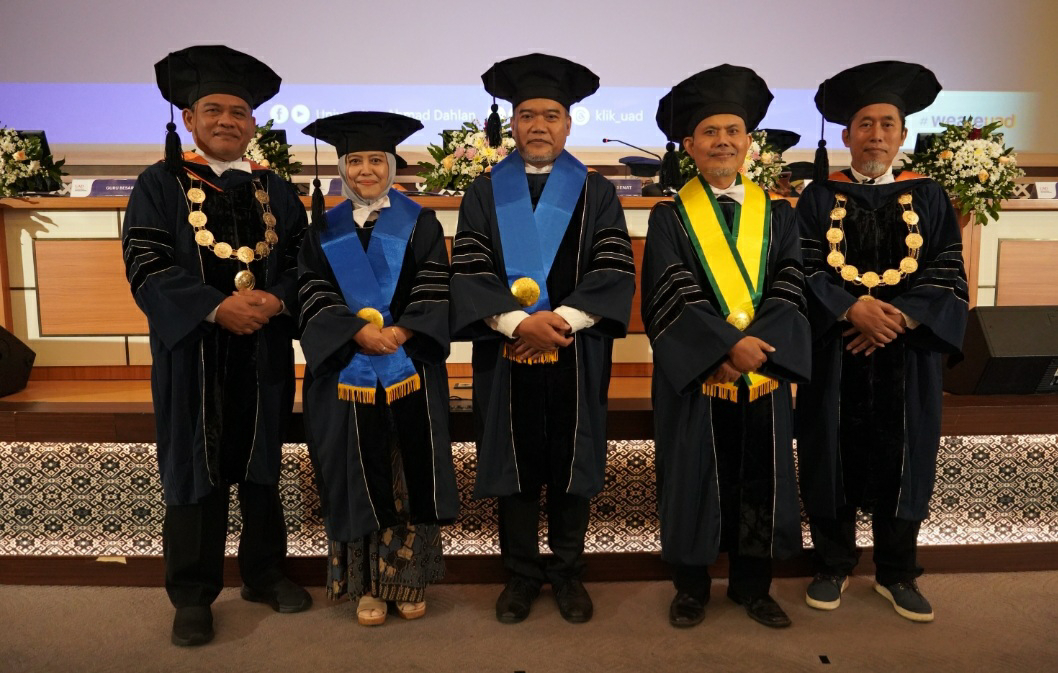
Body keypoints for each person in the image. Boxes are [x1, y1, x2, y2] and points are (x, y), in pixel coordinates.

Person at [121, 45, 310, 647]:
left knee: (260, 465)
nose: (227, 121)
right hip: (193, 355)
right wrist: (215, 307)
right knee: (193, 469)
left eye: (238, 112)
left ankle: (264, 574)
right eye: (214, 110)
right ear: (189, 119)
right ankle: (193, 594)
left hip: (263, 351)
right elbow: (146, 263)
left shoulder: (275, 190)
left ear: (253, 123)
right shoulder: (159, 184)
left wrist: (276, 300)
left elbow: (304, 264)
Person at [450, 53, 636, 624]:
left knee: (571, 462)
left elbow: (613, 267)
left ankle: (568, 572)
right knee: (516, 462)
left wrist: (559, 325)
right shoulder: (485, 191)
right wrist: (517, 323)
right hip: (505, 352)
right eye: (527, 115)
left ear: (568, 124)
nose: (538, 126)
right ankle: (522, 574)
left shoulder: (596, 192)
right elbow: (470, 269)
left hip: (576, 352)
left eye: (550, 115)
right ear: (512, 123)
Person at [796, 61, 968, 623]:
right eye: (865, 124)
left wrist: (901, 318)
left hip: (907, 352)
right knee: (829, 450)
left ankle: (897, 572)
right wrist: (851, 309)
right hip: (836, 349)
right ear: (846, 136)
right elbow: (802, 266)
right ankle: (832, 563)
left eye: (887, 124)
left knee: (906, 454)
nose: (876, 135)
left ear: (902, 134)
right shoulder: (818, 197)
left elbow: (946, 266)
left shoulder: (930, 196)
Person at [642, 64, 811, 629]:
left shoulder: (778, 214)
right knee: (692, 474)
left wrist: (755, 349)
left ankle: (752, 587)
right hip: (701, 374)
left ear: (748, 143)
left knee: (759, 475)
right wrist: (723, 349)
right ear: (689, 146)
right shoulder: (669, 218)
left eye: (732, 131)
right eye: (709, 132)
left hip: (761, 370)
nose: (722, 141)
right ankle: (691, 587)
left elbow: (791, 282)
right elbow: (670, 288)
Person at [298, 112, 459, 626]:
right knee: (355, 468)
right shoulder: (323, 229)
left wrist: (404, 331)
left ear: (392, 165)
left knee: (406, 467)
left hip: (410, 365)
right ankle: (365, 585)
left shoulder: (421, 222)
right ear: (341, 169)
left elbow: (435, 282)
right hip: (346, 369)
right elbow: (311, 290)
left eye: (375, 160)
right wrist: (356, 332)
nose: (365, 170)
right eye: (355, 161)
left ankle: (406, 580)